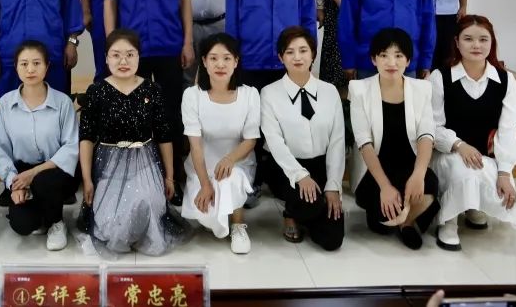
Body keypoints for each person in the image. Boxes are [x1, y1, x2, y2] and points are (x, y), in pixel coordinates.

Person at [94, 0, 200, 200]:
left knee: (170, 114)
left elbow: (185, 0)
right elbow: (109, 1)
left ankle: (172, 178)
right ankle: (131, 179)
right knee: (131, 115)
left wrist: (187, 42)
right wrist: (113, 46)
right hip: (131, 52)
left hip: (168, 46)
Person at [79, 29, 187, 256]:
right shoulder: (96, 91)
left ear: (139, 57)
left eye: (130, 54)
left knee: (146, 205)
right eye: (116, 55)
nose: (123, 61)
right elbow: (86, 138)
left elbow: (164, 136)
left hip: (145, 160)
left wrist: (169, 177)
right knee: (112, 226)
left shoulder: (152, 90)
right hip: (107, 163)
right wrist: (87, 180)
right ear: (106, 58)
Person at [430, 15, 516, 252]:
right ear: (456, 42)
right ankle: (448, 221)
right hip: (448, 153)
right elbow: (432, 127)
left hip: (486, 155)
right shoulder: (440, 77)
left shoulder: (505, 80)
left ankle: (473, 206)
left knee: (492, 175)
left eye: (483, 39)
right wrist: (459, 145)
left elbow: (508, 130)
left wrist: (505, 172)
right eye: (468, 39)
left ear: (492, 43)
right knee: (462, 170)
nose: (476, 45)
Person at [349, 28, 440, 249]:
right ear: (374, 59)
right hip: (375, 171)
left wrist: (418, 174)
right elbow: (364, 143)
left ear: (408, 61)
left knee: (429, 182)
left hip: (408, 167)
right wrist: (385, 187)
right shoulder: (359, 89)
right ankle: (408, 215)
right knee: (381, 224)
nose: (391, 62)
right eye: (384, 55)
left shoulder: (422, 89)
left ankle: (405, 222)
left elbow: (426, 135)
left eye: (399, 55)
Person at [260, 26, 345, 251]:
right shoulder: (269, 93)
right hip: (284, 168)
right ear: (281, 57)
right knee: (310, 203)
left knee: (332, 240)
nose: (297, 57)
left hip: (321, 165)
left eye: (303, 50)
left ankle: (310, 212)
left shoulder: (330, 91)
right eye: (289, 52)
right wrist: (300, 176)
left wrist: (333, 185)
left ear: (313, 54)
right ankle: (291, 213)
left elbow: (337, 141)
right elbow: (275, 142)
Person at [0, 41, 79, 251]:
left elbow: (70, 147)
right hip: (21, 171)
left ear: (47, 66)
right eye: (24, 64)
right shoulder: (6, 103)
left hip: (55, 171)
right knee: (22, 225)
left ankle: (56, 222)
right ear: (16, 67)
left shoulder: (62, 102)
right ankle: (42, 214)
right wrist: (14, 183)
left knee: (43, 182)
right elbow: (1, 150)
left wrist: (34, 173)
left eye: (36, 63)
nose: (30, 69)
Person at [180, 33, 260, 254]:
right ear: (204, 62)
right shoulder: (192, 96)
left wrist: (230, 159)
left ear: (236, 61)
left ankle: (238, 226)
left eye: (226, 58)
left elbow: (250, 140)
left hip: (238, 163)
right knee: (207, 217)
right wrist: (205, 184)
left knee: (229, 179)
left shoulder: (250, 94)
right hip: (202, 166)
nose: (220, 64)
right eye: (213, 58)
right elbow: (195, 146)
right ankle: (217, 206)